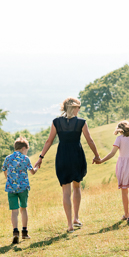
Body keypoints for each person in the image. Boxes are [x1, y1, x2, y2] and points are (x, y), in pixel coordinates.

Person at [34, 97, 101, 232]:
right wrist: (97, 156)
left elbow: (49, 141)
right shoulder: (81, 122)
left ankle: (70, 225)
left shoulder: (56, 122)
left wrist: (41, 157)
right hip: (76, 156)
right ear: (74, 108)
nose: (79, 110)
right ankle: (76, 218)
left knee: (66, 191)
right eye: (78, 107)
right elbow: (90, 140)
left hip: (62, 156)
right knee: (77, 187)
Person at [2, 136, 39, 245]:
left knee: (14, 211)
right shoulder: (25, 158)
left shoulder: (8, 158)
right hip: (23, 188)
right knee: (23, 209)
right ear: (23, 148)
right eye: (26, 150)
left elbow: (4, 170)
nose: (26, 152)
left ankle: (15, 233)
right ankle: (24, 232)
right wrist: (37, 167)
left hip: (11, 188)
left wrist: (8, 178)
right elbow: (32, 172)